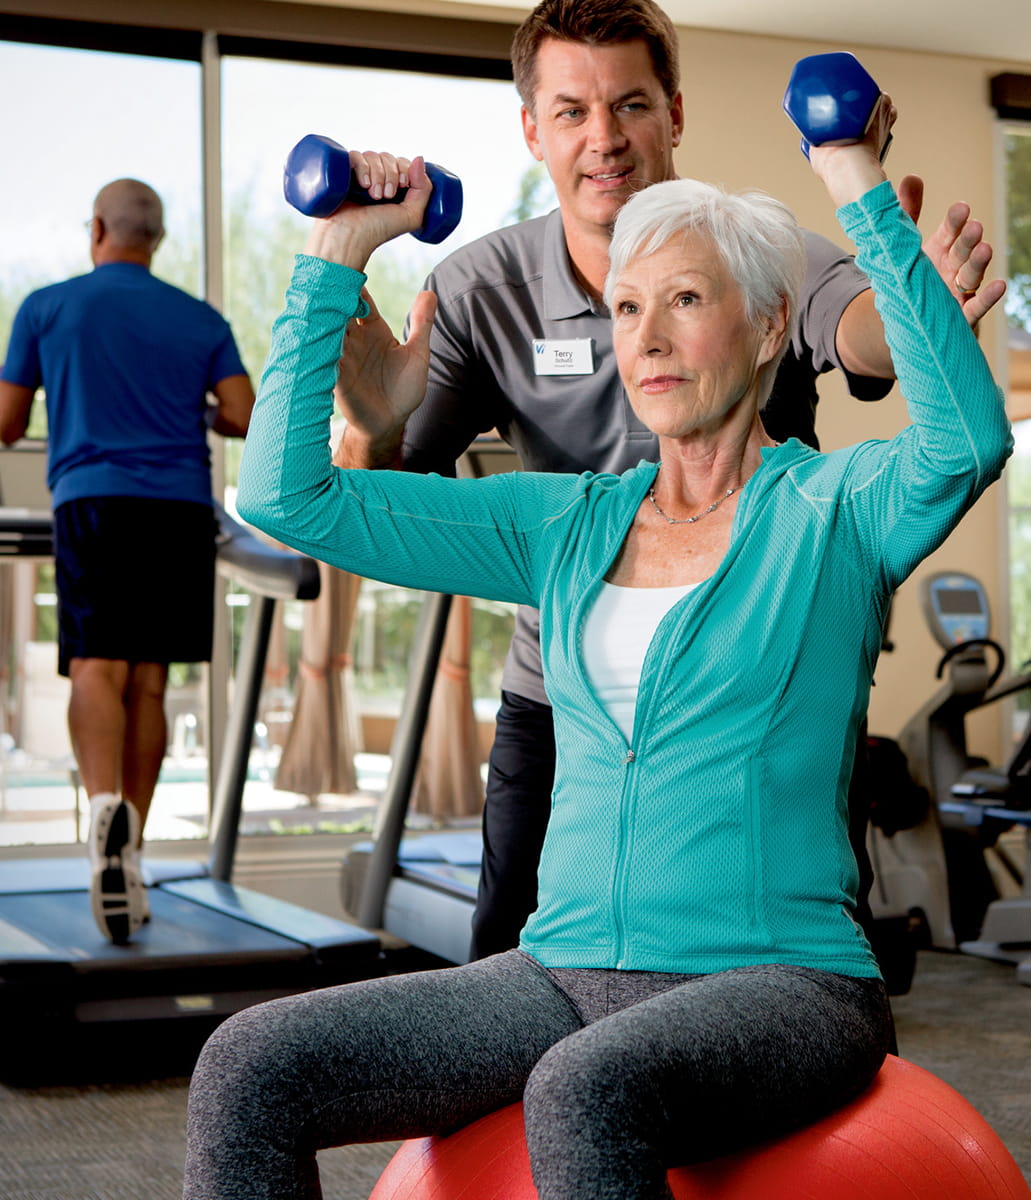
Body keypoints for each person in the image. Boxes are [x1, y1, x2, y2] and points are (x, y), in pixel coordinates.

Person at [184, 92, 1010, 1199]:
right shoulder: (562, 522)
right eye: (625, 308)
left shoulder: (837, 511)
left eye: (682, 299)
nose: (648, 337)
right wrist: (338, 252)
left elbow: (966, 437)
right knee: (251, 1065)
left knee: (582, 1090)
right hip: (560, 967)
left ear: (768, 327)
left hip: (782, 978)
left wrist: (851, 171)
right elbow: (288, 497)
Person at [333, 0, 1005, 961]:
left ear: (675, 112)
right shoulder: (480, 288)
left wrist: (912, 300)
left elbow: (863, 332)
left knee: (788, 978)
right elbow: (380, 486)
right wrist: (367, 417)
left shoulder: (759, 257)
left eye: (631, 105)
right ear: (532, 126)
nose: (603, 139)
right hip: (565, 692)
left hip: (754, 682)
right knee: (508, 985)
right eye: (571, 111)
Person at [0, 178, 255, 945]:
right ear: (158, 239)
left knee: (95, 669)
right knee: (149, 679)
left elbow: (8, 425)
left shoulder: (48, 307)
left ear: (99, 228)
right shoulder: (200, 317)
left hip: (93, 500)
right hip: (179, 506)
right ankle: (132, 847)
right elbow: (241, 413)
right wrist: (192, 407)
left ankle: (102, 808)